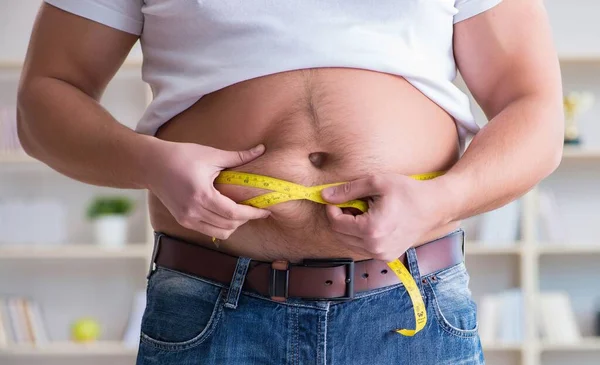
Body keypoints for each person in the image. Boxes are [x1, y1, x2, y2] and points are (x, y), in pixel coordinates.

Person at [17, 0, 563, 364]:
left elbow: (534, 108)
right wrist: (150, 163)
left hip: (407, 304)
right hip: (212, 309)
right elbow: (46, 98)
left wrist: (442, 198)